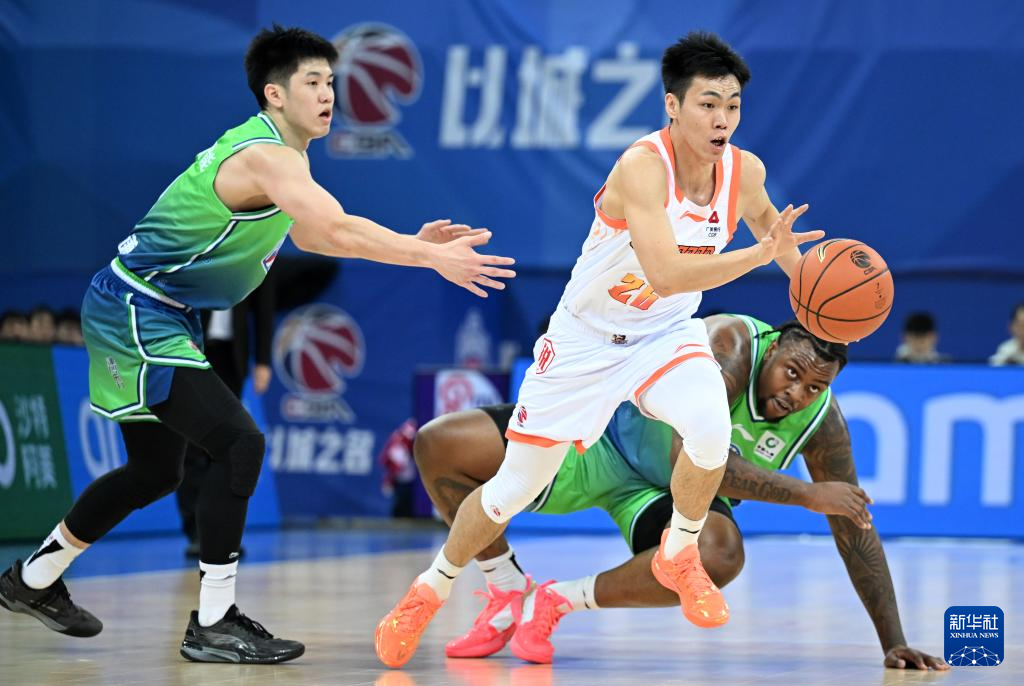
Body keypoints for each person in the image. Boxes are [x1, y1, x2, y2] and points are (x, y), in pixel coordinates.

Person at [0, 25, 514, 664]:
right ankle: (214, 622)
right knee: (238, 443)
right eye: (312, 82)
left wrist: (414, 244)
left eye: (331, 82)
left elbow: (315, 238)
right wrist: (427, 256)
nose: (328, 94)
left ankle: (32, 579)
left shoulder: (287, 158)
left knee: (156, 470)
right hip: (137, 307)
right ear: (275, 93)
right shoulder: (268, 155)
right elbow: (335, 228)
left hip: (155, 309)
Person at [376, 31, 823, 668]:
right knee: (513, 488)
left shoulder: (744, 172)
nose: (722, 119)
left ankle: (678, 552)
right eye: (708, 104)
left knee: (708, 426)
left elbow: (779, 243)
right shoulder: (642, 167)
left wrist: (818, 293)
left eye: (732, 105)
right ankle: (430, 589)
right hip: (586, 341)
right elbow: (666, 273)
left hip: (664, 334)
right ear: (673, 106)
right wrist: (757, 255)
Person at [415, 315, 948, 670]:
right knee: (440, 444)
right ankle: (506, 586)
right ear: (771, 351)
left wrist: (894, 641)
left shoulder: (822, 424)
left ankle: (553, 600)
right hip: (598, 440)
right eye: (792, 374)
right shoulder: (729, 343)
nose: (797, 393)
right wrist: (808, 495)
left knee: (720, 554)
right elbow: (692, 453)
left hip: (664, 497)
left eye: (815, 387)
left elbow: (855, 528)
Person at [176, 277, 275, 558]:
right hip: (193, 350)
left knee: (229, 444)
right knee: (192, 444)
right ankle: (196, 531)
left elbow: (264, 308)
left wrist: (263, 360)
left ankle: (222, 533)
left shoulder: (258, 253)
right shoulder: (200, 250)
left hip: (233, 355)